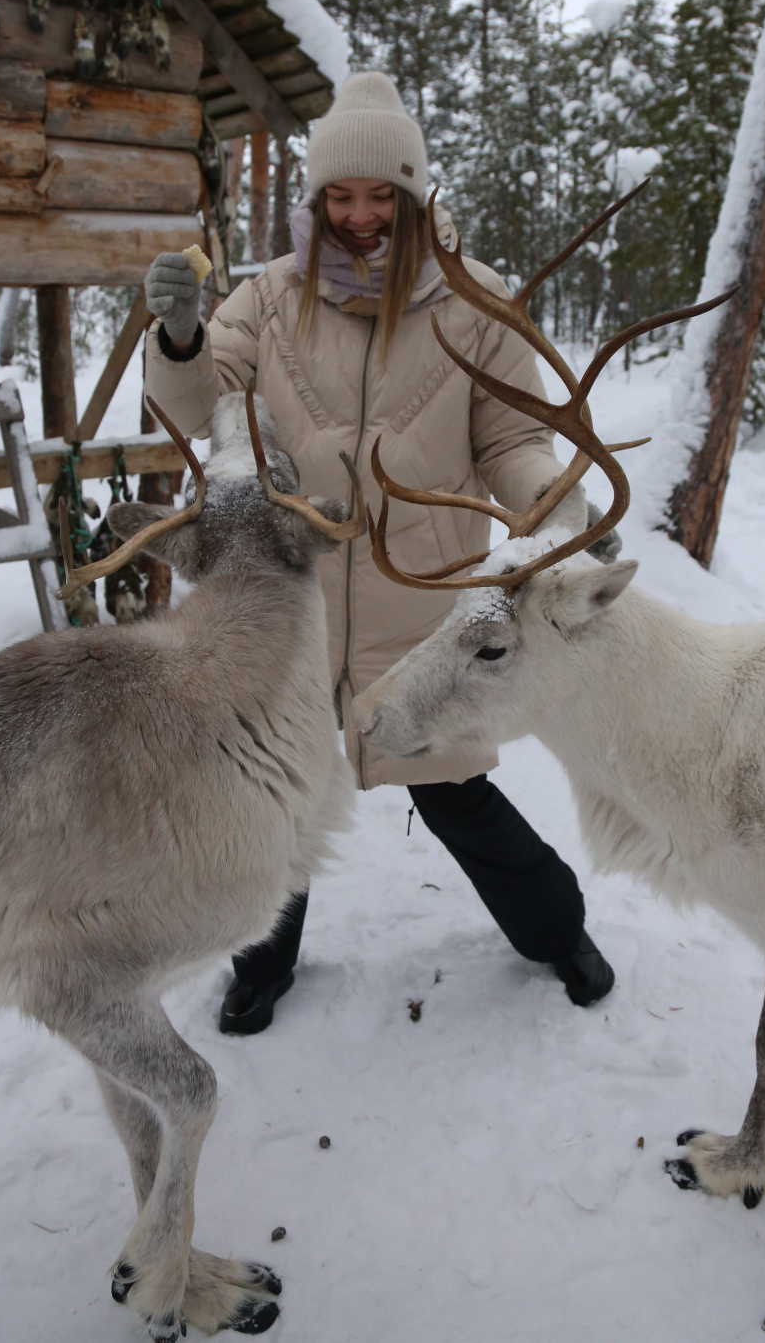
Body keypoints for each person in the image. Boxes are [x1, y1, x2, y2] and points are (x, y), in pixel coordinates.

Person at [143, 71, 619, 1035]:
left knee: (454, 792)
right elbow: (201, 410)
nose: (361, 216)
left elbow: (512, 442)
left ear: (411, 195)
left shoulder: (474, 301)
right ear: (316, 199)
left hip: (419, 599)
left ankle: (555, 929)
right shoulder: (269, 301)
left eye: (380, 196)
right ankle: (260, 961)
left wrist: (554, 510)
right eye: (341, 197)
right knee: (275, 789)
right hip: (291, 593)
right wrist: (183, 339)